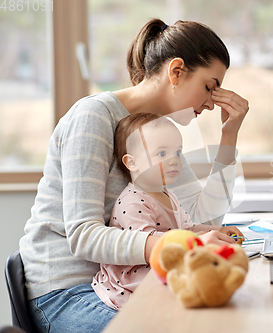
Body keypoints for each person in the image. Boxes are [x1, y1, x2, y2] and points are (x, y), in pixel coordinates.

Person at [20, 18, 249, 333]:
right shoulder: (94, 117)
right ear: (176, 71)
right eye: (209, 87)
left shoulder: (160, 135)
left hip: (128, 284)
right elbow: (83, 237)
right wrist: (185, 243)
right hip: (68, 290)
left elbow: (204, 218)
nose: (211, 103)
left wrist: (229, 136)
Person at [92, 113, 241, 310]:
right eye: (162, 154)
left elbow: (186, 228)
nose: (174, 160)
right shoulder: (133, 201)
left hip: (159, 266)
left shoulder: (167, 193)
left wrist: (216, 230)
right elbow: (148, 245)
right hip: (130, 283)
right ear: (132, 163)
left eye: (178, 152)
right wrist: (198, 242)